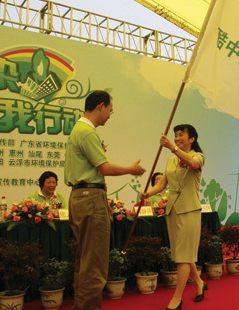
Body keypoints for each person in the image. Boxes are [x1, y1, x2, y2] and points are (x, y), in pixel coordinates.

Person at [64, 90, 145, 310]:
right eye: (110, 110)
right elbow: (104, 167)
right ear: (100, 106)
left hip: (80, 197)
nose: (110, 115)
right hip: (90, 198)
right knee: (95, 262)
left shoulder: (77, 130)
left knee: (85, 258)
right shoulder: (87, 132)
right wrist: (131, 169)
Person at [141, 124, 206, 310]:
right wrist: (148, 193)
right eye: (175, 135)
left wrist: (172, 147)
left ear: (192, 139)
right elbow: (162, 183)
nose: (177, 138)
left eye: (181, 135)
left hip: (189, 210)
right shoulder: (170, 161)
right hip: (172, 211)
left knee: (183, 257)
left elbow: (193, 164)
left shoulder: (197, 156)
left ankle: (177, 299)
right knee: (181, 254)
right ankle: (200, 284)